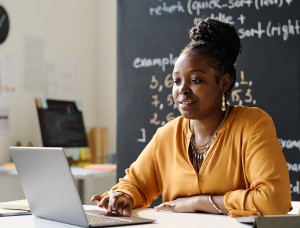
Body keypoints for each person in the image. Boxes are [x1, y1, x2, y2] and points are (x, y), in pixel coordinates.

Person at [91, 17, 292, 217]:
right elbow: (135, 184)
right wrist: (123, 195)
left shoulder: (252, 125)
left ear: (224, 82)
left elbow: (274, 201)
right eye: (177, 81)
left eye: (195, 80)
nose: (182, 90)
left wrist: (200, 202)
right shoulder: (168, 134)